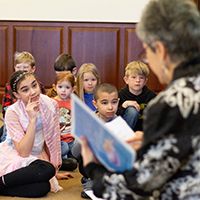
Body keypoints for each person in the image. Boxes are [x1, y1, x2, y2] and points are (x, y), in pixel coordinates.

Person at [80, 0, 200, 199]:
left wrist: (93, 167)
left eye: (147, 52)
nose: (149, 61)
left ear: (160, 50)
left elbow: (138, 186)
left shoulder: (171, 103)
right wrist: (151, 141)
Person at [0, 71, 72, 197]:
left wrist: (54, 170)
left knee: (42, 187)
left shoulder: (50, 104)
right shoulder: (13, 112)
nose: (33, 92)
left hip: (38, 158)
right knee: (46, 170)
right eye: (25, 90)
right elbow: (23, 152)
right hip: (16, 155)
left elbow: (52, 140)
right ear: (17, 95)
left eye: (34, 85)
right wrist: (32, 120)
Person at [0, 51, 45, 142]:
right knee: (6, 139)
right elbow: (6, 107)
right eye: (18, 68)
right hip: (15, 120)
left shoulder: (38, 86)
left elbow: (43, 105)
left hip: (34, 120)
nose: (21, 72)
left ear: (33, 69)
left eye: (25, 70)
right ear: (14, 68)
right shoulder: (9, 86)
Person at [51, 71, 78, 171]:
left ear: (73, 89)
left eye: (67, 88)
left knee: (78, 150)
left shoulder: (74, 103)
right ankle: (62, 161)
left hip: (71, 139)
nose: (63, 90)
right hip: (58, 141)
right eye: (60, 87)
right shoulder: (52, 102)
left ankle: (64, 160)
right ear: (54, 87)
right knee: (65, 148)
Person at [117, 61, 156, 131]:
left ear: (145, 81)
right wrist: (123, 106)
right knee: (132, 111)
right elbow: (114, 118)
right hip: (125, 131)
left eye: (141, 78)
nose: (137, 80)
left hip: (143, 132)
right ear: (126, 80)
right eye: (134, 77)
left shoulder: (152, 96)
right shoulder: (119, 95)